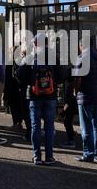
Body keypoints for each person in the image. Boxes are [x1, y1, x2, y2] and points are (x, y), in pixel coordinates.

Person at [17, 33, 64, 165]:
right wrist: (54, 83)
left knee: (35, 126)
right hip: (50, 96)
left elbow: (19, 74)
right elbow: (62, 75)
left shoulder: (31, 57)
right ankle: (49, 157)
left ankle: (36, 156)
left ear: (35, 44)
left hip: (34, 96)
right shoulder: (53, 56)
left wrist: (31, 82)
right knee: (49, 127)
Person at [73, 39, 97, 163]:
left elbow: (78, 78)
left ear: (82, 45)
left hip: (85, 97)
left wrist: (75, 92)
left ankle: (88, 154)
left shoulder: (81, 58)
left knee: (86, 127)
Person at [59, 72, 78, 148]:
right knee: (69, 120)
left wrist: (64, 110)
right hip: (74, 103)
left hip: (70, 105)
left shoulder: (68, 84)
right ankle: (72, 134)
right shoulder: (73, 82)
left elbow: (68, 99)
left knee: (67, 121)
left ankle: (71, 140)